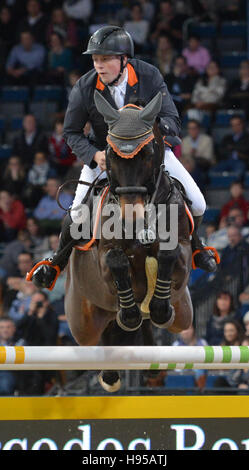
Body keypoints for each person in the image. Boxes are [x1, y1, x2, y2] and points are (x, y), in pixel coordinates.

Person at [30, 25, 218, 290]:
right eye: (96, 59)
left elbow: (172, 119)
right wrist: (93, 155)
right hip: (106, 157)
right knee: (77, 213)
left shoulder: (148, 75)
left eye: (105, 59)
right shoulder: (84, 87)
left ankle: (197, 245)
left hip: (149, 155)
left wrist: (150, 138)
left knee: (197, 203)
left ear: (124, 59)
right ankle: (56, 263)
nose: (99, 65)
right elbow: (71, 132)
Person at [0, 317, 26, 396]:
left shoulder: (20, 342)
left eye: (8, 327)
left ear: (14, 329)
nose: (5, 330)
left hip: (11, 372)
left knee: (5, 384)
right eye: (2, 327)